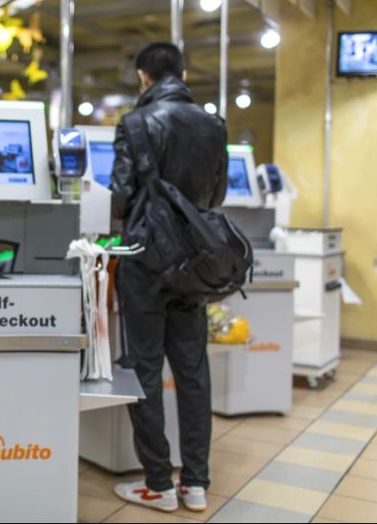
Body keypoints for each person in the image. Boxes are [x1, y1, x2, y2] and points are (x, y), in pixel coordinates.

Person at [110, 43, 227, 514]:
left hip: (144, 261)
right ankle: (195, 483)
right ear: (181, 72)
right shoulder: (213, 126)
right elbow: (215, 194)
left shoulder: (135, 124)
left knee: (145, 370)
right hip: (194, 260)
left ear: (143, 77)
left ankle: (158, 481)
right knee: (193, 371)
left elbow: (121, 198)